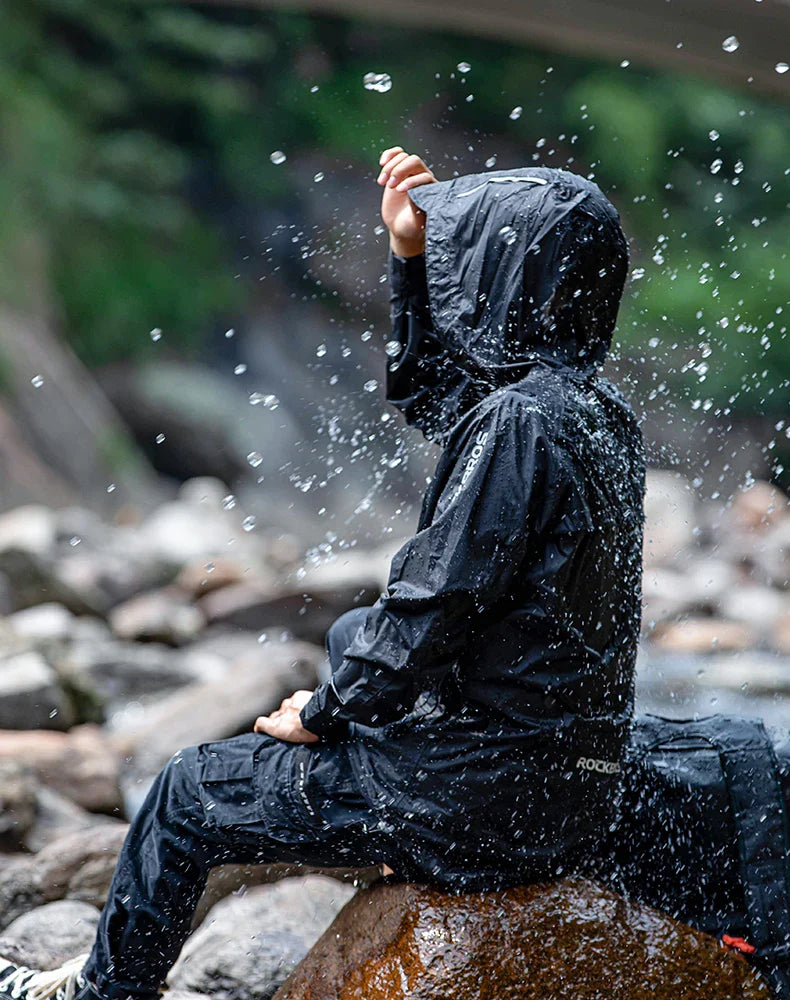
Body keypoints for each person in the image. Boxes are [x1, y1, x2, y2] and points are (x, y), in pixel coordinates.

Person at [0, 147, 645, 1000]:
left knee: (189, 791)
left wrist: (330, 709)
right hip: (561, 796)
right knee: (343, 649)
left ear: (508, 276)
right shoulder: (604, 421)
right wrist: (410, 260)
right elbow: (435, 399)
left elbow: (430, 608)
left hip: (473, 798)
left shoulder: (519, 423)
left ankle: (101, 994)